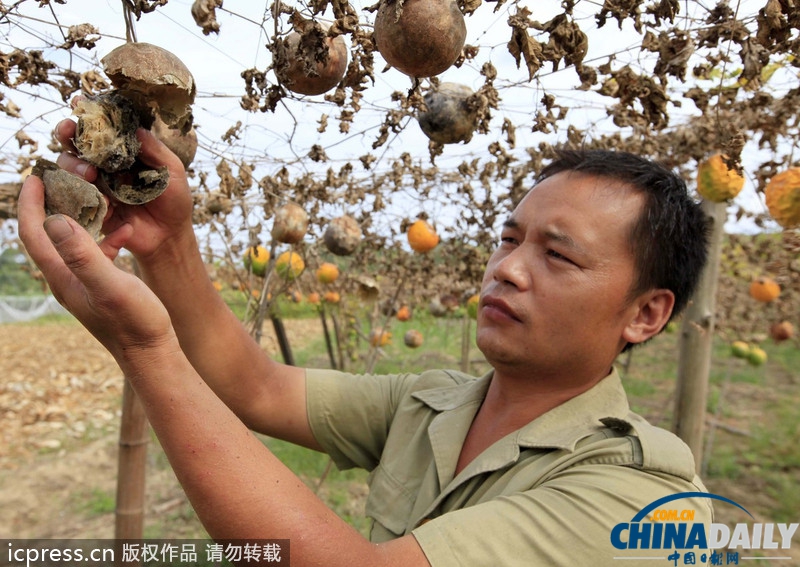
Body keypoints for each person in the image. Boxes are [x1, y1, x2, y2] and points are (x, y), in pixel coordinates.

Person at [18, 119, 715, 566]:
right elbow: (257, 385)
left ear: (646, 314)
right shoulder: (431, 402)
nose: (505, 267)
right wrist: (168, 243)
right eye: (509, 239)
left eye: (557, 256)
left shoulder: (645, 497)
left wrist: (146, 351)